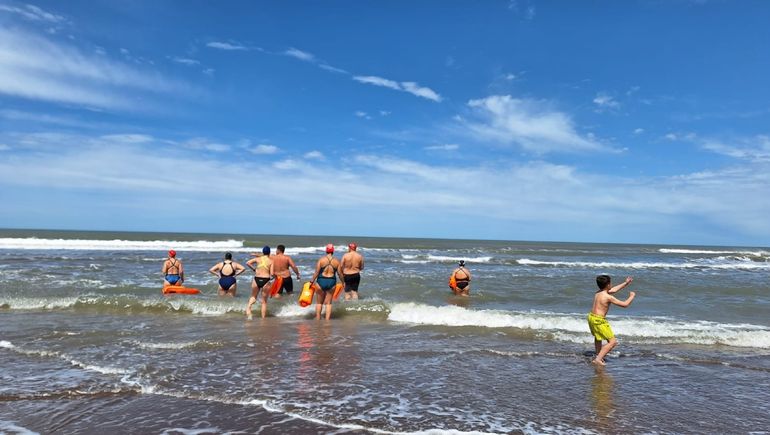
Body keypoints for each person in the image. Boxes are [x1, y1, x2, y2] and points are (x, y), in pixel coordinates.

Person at [588, 275, 636, 366]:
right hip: (599, 320)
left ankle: (599, 355)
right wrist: (632, 296)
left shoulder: (598, 292)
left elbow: (613, 290)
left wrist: (626, 283)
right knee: (613, 342)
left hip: (591, 317)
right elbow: (625, 304)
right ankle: (598, 359)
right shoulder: (608, 297)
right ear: (608, 285)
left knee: (598, 337)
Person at [310, 243, 343, 320]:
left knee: (319, 303)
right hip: (331, 282)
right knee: (328, 303)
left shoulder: (321, 260)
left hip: (321, 280)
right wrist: (343, 282)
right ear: (333, 251)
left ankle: (318, 318)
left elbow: (316, 272)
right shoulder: (337, 261)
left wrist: (311, 281)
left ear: (326, 251)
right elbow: (340, 274)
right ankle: (327, 320)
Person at [245, 246, 273, 319]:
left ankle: (248, 307)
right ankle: (263, 319)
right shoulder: (271, 261)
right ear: (269, 253)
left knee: (253, 296)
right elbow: (272, 274)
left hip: (256, 279)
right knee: (264, 302)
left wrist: (254, 269)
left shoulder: (257, 259)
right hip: (266, 280)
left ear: (263, 252)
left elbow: (247, 263)